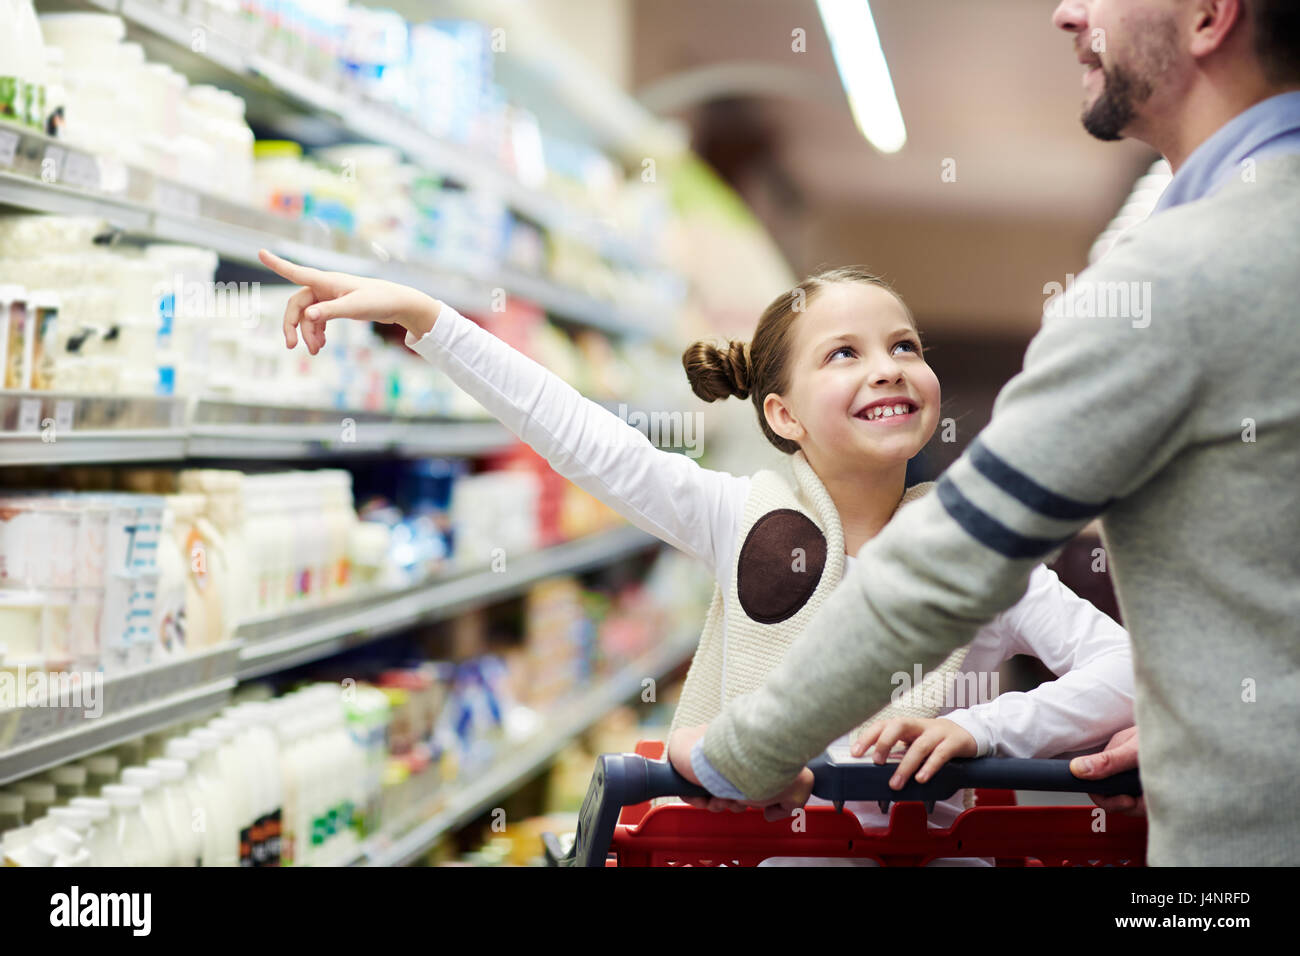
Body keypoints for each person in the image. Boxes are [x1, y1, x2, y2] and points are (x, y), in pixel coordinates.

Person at [667, 0, 1300, 866]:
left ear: (1207, 16)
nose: (1066, 13)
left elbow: (945, 571)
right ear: (780, 412)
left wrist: (731, 754)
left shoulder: (1165, 283)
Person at [257, 250, 1136, 864]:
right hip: (767, 854)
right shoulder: (734, 514)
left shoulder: (978, 552)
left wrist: (979, 728)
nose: (889, 367)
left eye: (905, 345)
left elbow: (1128, 673)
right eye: (846, 353)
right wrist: (428, 320)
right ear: (784, 415)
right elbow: (587, 441)